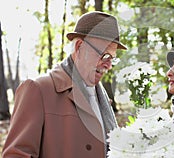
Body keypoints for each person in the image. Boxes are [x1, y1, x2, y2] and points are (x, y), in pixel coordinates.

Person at [2, 11, 127, 158]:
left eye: (112, 58)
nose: (109, 65)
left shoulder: (102, 97)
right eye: (104, 55)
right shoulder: (37, 89)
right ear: (79, 47)